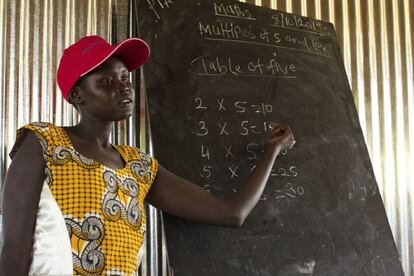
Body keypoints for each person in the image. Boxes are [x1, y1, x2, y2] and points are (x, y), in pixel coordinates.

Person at [0, 35, 295, 275]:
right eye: (106, 82)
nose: (123, 87)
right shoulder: (43, 141)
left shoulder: (139, 166)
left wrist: (270, 152)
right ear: (77, 95)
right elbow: (15, 250)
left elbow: (232, 213)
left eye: (125, 77)